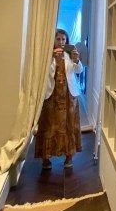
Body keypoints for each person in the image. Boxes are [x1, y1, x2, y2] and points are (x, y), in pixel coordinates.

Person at [35, 29, 83, 170]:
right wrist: (53, 59)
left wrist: (76, 60)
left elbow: (79, 71)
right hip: (51, 95)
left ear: (66, 41)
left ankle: (69, 156)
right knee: (49, 124)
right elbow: (42, 74)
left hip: (69, 95)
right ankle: (46, 158)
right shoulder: (47, 56)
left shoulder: (70, 55)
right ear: (53, 40)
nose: (61, 42)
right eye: (58, 39)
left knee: (69, 124)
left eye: (63, 39)